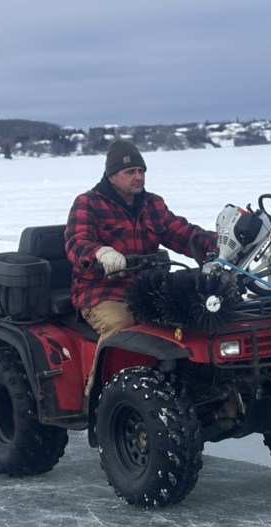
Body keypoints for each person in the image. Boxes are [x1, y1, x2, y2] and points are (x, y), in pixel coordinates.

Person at [65, 139, 217, 397]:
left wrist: (220, 243)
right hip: (102, 290)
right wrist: (100, 252)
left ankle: (194, 386)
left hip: (147, 287)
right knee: (120, 325)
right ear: (112, 176)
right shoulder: (88, 203)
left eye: (141, 171)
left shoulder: (153, 205)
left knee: (193, 318)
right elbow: (76, 241)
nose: (138, 177)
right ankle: (98, 395)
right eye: (130, 172)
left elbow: (182, 234)